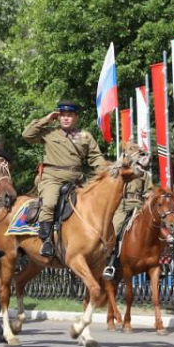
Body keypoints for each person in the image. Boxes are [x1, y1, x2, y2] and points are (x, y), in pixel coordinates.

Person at [22, 100, 107, 257]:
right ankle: (47, 241)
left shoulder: (85, 136)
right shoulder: (49, 132)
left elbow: (96, 158)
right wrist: (46, 119)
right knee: (49, 203)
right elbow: (27, 134)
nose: (66, 118)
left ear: (76, 117)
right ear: (58, 117)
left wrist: (107, 174)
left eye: (70, 115)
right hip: (52, 178)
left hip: (77, 180)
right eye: (62, 115)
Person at [104, 144, 153, 278]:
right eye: (133, 154)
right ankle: (110, 263)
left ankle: (151, 264)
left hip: (138, 205)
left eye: (137, 154)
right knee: (115, 230)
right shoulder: (118, 171)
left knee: (152, 229)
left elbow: (149, 190)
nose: (135, 157)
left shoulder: (143, 174)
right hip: (121, 205)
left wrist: (149, 195)